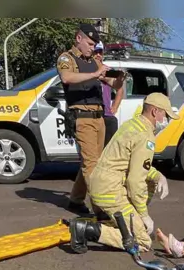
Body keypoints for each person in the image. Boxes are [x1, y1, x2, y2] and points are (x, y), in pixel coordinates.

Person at [68, 93, 176, 254]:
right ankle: (87, 230)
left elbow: (134, 165)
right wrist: (144, 215)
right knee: (143, 241)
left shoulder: (132, 125)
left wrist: (158, 176)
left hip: (101, 184)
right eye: (165, 115)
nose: (166, 120)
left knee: (151, 181)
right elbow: (135, 180)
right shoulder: (145, 136)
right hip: (110, 191)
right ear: (155, 111)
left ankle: (116, 221)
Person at [56, 23, 121, 216]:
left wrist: (119, 78)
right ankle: (100, 208)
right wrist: (94, 74)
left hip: (99, 117)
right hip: (82, 118)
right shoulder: (66, 58)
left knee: (92, 163)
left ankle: (76, 200)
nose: (93, 48)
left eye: (94, 45)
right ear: (79, 39)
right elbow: (66, 78)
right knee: (92, 165)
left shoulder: (94, 61)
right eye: (90, 43)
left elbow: (112, 83)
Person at [93, 42, 125, 147]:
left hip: (106, 115)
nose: (98, 55)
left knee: (108, 150)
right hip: (92, 115)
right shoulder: (86, 69)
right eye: (95, 52)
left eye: (100, 52)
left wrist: (115, 106)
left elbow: (119, 88)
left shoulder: (107, 69)